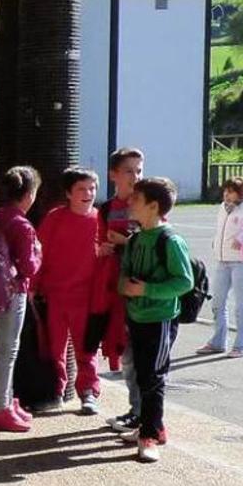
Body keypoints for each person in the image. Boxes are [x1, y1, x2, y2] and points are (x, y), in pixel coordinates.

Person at [119, 177, 194, 463]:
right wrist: (125, 285)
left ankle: (149, 435)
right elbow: (125, 271)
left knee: (153, 377)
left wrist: (148, 289)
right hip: (136, 315)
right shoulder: (136, 237)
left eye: (135, 199)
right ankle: (152, 426)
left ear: (153, 206)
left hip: (160, 318)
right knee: (141, 373)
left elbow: (184, 281)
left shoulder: (170, 241)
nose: (129, 202)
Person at [36, 167, 104, 415]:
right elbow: (39, 254)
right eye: (81, 189)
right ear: (68, 193)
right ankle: (56, 390)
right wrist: (35, 287)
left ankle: (88, 393)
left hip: (86, 298)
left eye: (92, 188)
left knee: (87, 349)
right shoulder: (55, 218)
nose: (88, 193)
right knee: (54, 348)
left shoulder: (100, 220)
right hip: (55, 295)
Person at [0, 166, 42, 432]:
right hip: (14, 291)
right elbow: (29, 267)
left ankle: (6, 399)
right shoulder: (22, 224)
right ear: (29, 194)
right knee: (9, 350)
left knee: (4, 347)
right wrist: (39, 252)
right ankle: (2, 408)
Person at [197, 176, 243, 359]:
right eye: (226, 190)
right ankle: (218, 341)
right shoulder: (222, 208)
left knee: (241, 305)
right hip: (223, 261)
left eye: (231, 191)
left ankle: (241, 344)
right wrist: (216, 243)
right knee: (217, 302)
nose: (226, 194)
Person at [98, 148, 144, 433]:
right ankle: (136, 410)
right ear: (113, 174)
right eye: (130, 170)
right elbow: (96, 244)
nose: (136, 176)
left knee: (143, 354)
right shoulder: (106, 209)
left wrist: (126, 243)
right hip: (116, 289)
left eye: (139, 170)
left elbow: (158, 240)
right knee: (127, 352)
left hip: (142, 288)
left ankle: (144, 416)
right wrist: (102, 248)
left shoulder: (149, 204)